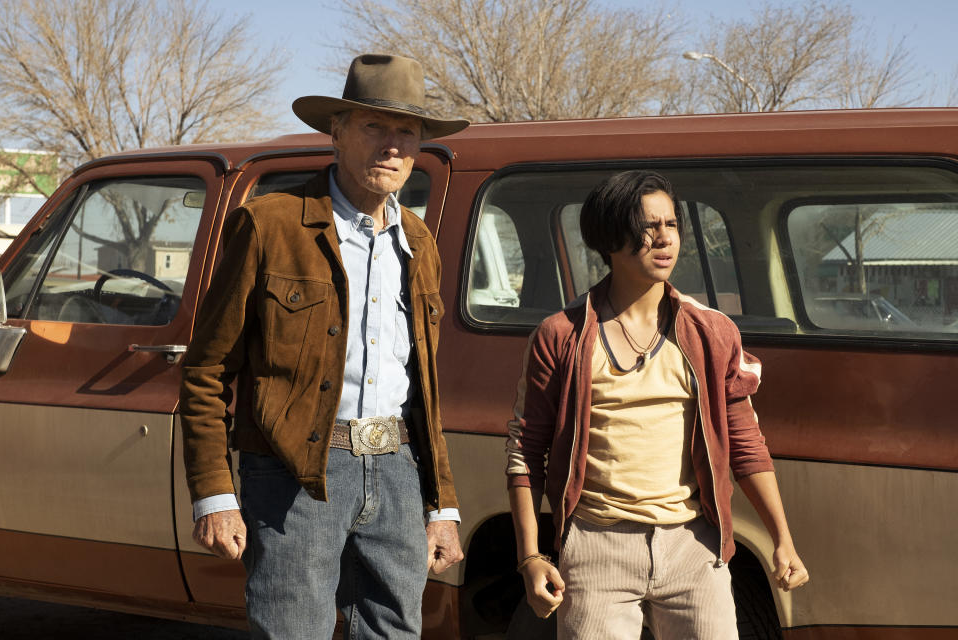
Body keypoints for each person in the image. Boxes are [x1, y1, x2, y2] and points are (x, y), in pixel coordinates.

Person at [179, 53, 469, 639]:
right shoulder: (268, 225)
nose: (392, 146)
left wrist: (442, 506)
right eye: (374, 127)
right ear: (335, 132)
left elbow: (424, 389)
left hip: (397, 469)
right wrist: (214, 493)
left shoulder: (418, 241)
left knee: (395, 633)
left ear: (419, 147)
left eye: (406, 132)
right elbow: (206, 369)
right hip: (293, 475)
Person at [505, 170, 809, 638]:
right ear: (609, 236)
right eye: (647, 226)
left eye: (671, 224)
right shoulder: (560, 336)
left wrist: (782, 539)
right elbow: (526, 451)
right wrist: (531, 556)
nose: (663, 238)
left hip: (693, 545)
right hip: (596, 544)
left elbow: (747, 444)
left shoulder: (712, 333)